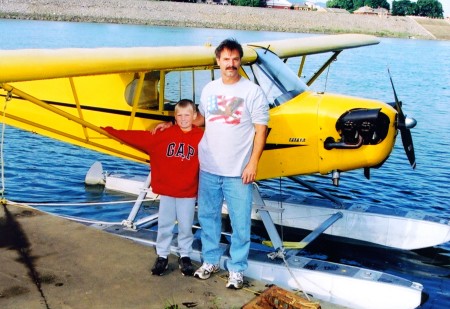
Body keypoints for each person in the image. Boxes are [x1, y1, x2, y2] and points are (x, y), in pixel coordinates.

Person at [157, 38, 269, 289]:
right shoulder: (209, 89)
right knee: (208, 219)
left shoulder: (252, 92)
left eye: (235, 59)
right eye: (226, 59)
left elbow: (261, 131)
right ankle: (210, 261)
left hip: (238, 171)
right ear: (218, 60)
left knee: (240, 223)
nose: (231, 64)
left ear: (240, 61)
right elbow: (199, 120)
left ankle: (237, 269)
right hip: (208, 167)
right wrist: (172, 126)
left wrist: (253, 164)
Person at [102, 99, 203, 277]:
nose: (183, 119)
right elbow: (139, 137)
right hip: (168, 192)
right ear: (174, 117)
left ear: (195, 116)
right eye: (179, 115)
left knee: (186, 226)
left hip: (188, 192)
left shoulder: (202, 137)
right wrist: (110, 131)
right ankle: (162, 255)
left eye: (187, 115)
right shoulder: (164, 134)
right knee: (164, 224)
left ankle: (184, 255)